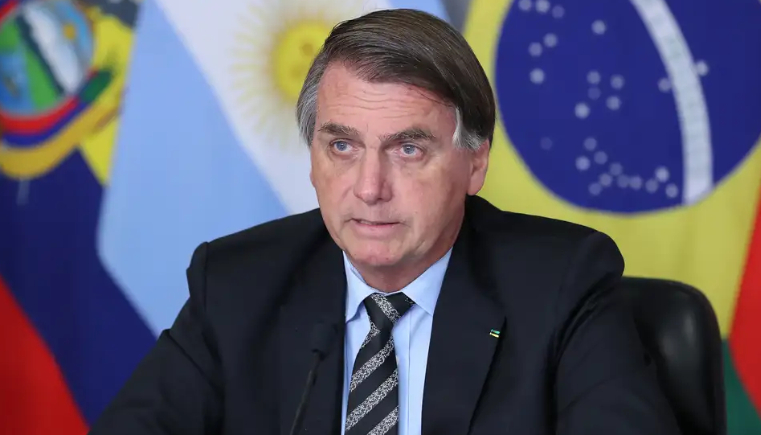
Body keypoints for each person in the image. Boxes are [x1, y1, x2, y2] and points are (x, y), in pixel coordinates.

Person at [89, 8, 681, 435]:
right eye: (342, 147)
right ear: (313, 157)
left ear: (475, 162)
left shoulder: (561, 284)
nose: (370, 188)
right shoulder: (238, 283)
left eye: (408, 149)